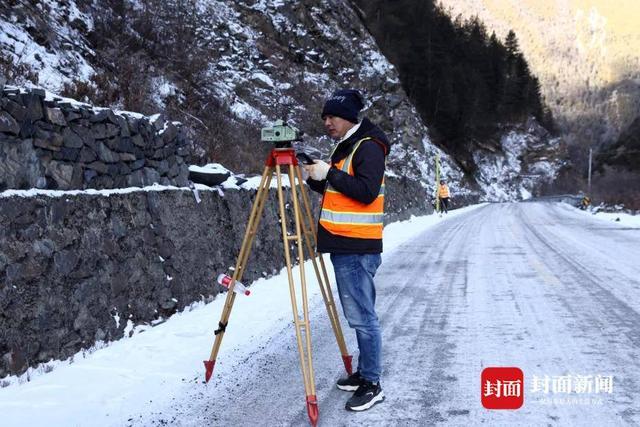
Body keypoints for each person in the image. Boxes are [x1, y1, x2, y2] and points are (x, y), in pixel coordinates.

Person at [303, 89, 390, 412]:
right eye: (324, 117)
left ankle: (372, 383)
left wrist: (331, 173)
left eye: (332, 117)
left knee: (362, 318)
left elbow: (365, 192)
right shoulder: (348, 146)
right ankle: (365, 373)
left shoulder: (369, 147)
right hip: (346, 243)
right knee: (359, 316)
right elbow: (338, 188)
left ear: (350, 118)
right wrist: (316, 177)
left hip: (357, 246)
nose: (327, 122)